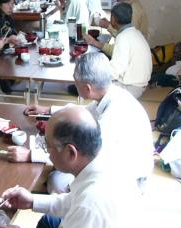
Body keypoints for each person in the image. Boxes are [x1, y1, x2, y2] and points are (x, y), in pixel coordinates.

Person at [0, 106, 144, 228]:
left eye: (47, 146)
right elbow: (74, 200)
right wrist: (32, 201)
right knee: (48, 222)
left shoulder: (90, 205)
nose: (47, 153)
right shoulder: (107, 161)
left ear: (70, 152)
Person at [11, 52, 153, 193]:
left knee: (58, 182)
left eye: (76, 83)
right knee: (58, 169)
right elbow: (84, 111)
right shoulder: (112, 93)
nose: (74, 85)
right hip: (114, 160)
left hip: (127, 177)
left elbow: (83, 154)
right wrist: (48, 109)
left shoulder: (112, 118)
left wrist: (31, 155)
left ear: (87, 88)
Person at [85, 0, 149, 57]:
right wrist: (110, 24)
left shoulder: (133, 10)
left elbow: (125, 40)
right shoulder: (130, 5)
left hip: (133, 55)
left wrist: (108, 26)